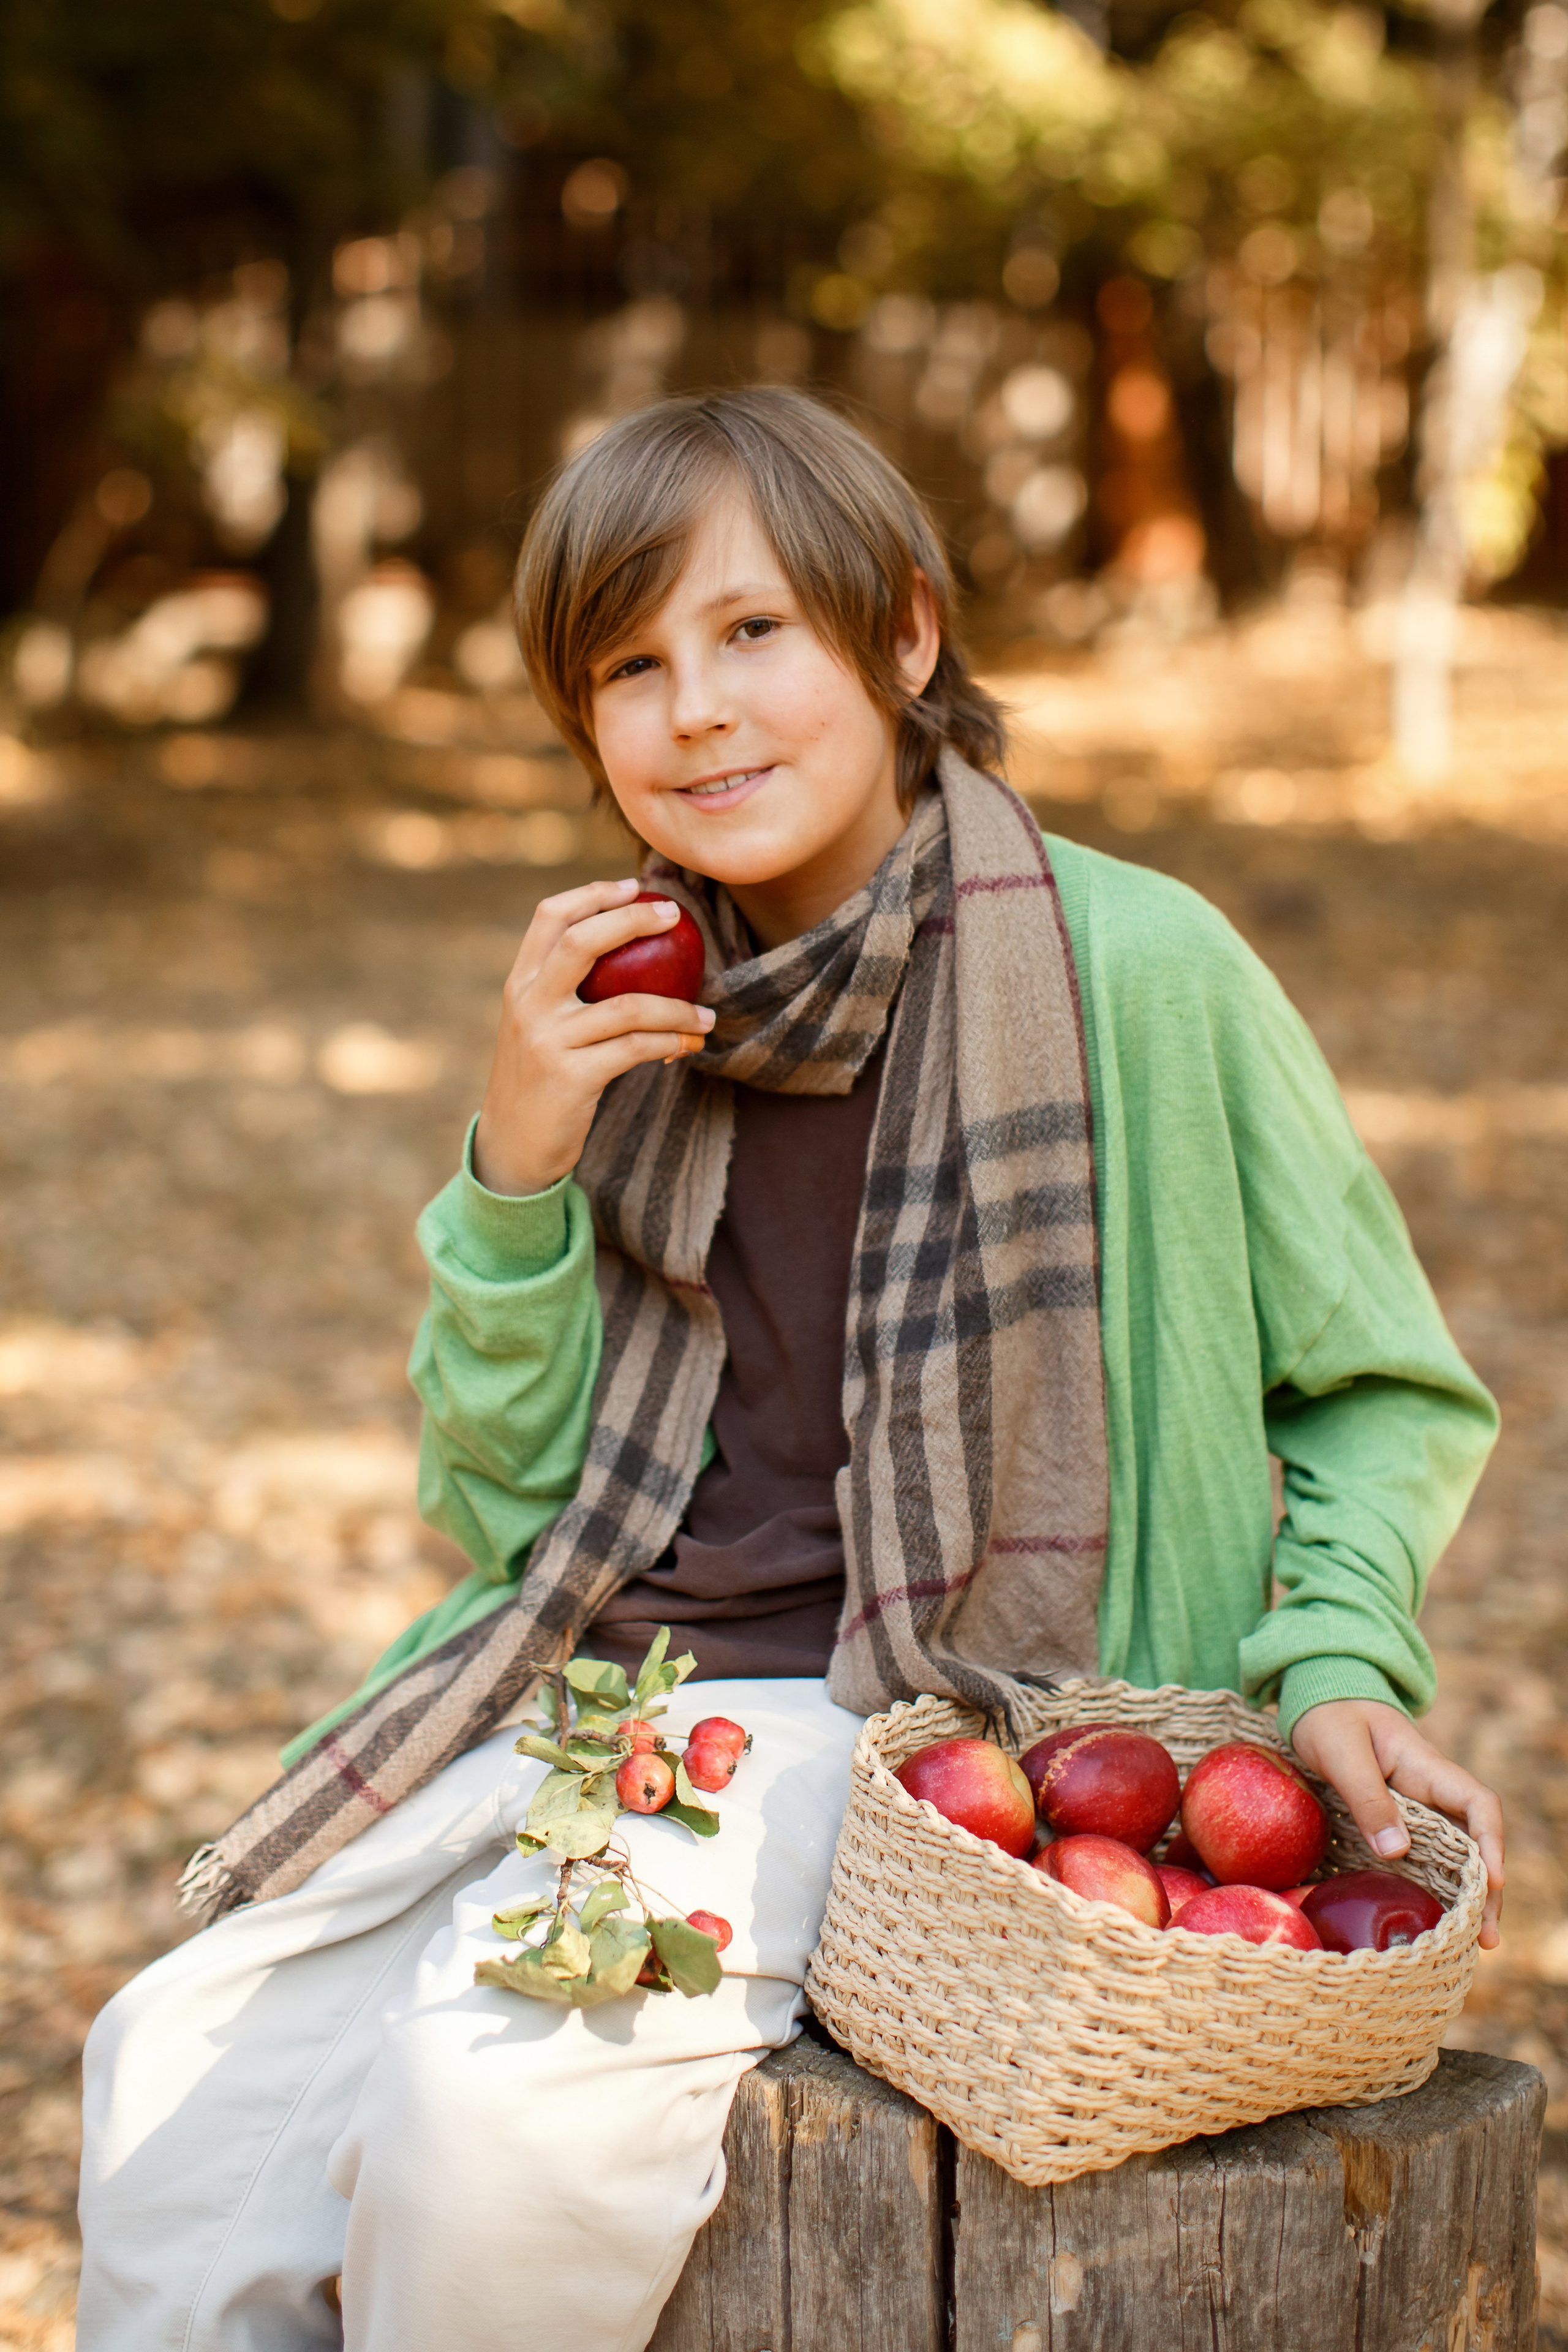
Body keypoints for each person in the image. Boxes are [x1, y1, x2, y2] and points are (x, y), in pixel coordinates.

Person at [78, 388, 1506, 2352]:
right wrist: (514, 1167)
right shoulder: (632, 1016)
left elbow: (1380, 1386)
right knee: (176, 2067)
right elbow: (505, 1515)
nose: (699, 710)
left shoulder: (1138, 970)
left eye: (755, 632)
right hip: (604, 1696)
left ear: (903, 637)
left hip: (929, 1705)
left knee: (490, 2118)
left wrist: (1340, 1655)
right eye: (631, 666)